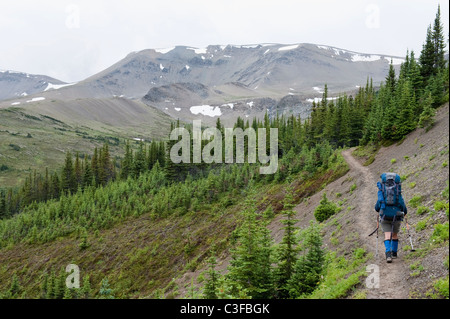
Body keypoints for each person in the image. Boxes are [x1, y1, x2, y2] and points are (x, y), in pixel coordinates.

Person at [374, 173, 408, 263]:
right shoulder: (397, 192)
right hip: (396, 216)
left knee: (387, 234)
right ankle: (394, 253)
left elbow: (377, 206)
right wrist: (405, 212)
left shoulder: (382, 193)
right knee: (394, 234)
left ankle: (388, 254)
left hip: (385, 215)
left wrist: (379, 209)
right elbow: (401, 204)